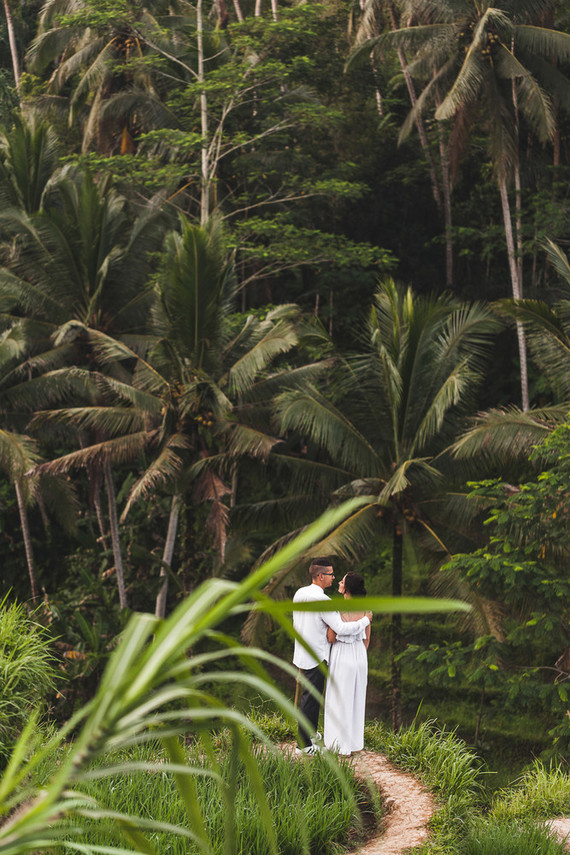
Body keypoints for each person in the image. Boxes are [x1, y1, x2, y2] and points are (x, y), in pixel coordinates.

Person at [292, 558, 372, 755]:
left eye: (338, 577)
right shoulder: (323, 601)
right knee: (311, 699)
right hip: (317, 654)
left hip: (302, 651)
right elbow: (340, 629)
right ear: (320, 576)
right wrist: (365, 620)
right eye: (330, 575)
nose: (334, 578)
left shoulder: (300, 593)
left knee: (312, 696)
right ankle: (304, 745)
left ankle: (310, 734)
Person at [323, 571, 370, 756]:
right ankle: (354, 744)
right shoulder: (366, 609)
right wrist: (359, 653)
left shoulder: (337, 608)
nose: (339, 583)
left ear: (347, 588)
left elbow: (331, 637)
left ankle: (337, 745)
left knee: (338, 698)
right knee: (357, 697)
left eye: (341, 581)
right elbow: (367, 639)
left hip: (342, 653)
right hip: (359, 654)